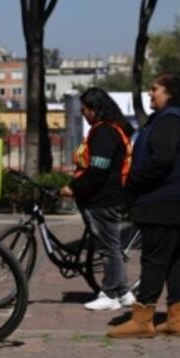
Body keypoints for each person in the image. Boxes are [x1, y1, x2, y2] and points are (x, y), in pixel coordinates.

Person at [108, 74, 180, 339]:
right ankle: (177, 318)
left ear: (170, 92)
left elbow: (162, 159)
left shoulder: (169, 119)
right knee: (176, 258)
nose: (150, 94)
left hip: (165, 199)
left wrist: (133, 180)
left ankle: (142, 319)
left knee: (153, 259)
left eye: (155, 89)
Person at [60, 87, 136, 312]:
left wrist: (73, 187)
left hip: (103, 200)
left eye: (85, 110)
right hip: (108, 198)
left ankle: (109, 294)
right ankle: (123, 292)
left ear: (95, 109)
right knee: (111, 246)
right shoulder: (114, 129)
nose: (83, 114)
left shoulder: (104, 132)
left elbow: (97, 170)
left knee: (108, 248)